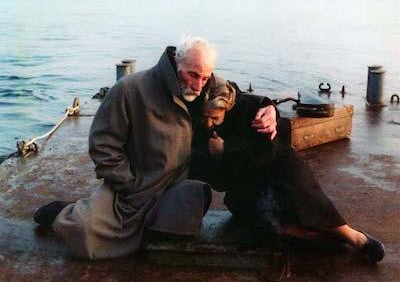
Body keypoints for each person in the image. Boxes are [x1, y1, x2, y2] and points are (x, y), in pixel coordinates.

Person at [33, 36, 278, 260]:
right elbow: (103, 145)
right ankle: (63, 213)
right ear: (175, 62)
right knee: (85, 236)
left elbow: (238, 98)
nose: (199, 85)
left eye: (205, 78)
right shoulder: (130, 89)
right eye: (193, 75)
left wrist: (269, 108)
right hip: (131, 190)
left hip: (175, 185)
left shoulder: (205, 87)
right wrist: (129, 183)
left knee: (183, 221)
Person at [190, 76, 385, 262]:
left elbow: (266, 153)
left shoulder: (251, 110)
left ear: (228, 107)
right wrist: (217, 158)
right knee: (254, 211)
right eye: (205, 117)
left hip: (274, 170)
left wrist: (226, 150)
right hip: (245, 187)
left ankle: (350, 235)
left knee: (295, 179)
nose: (209, 123)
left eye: (215, 118)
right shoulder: (202, 131)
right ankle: (307, 235)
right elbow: (219, 182)